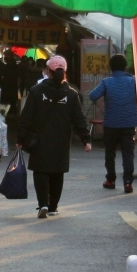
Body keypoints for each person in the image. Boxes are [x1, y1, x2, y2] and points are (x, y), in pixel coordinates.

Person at [18, 55, 92, 218]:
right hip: (61, 141)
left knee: (41, 171)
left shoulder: (36, 91)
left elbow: (26, 117)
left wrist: (20, 139)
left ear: (47, 71)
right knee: (57, 173)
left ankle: (43, 203)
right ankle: (53, 207)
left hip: (39, 140)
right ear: (65, 72)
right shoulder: (72, 94)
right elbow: (79, 119)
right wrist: (86, 138)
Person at [89, 53, 137, 193]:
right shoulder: (133, 81)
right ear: (125, 66)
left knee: (110, 152)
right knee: (128, 153)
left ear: (111, 67)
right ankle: (128, 182)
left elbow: (93, 95)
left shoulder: (107, 82)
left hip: (111, 123)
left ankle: (110, 180)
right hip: (129, 122)